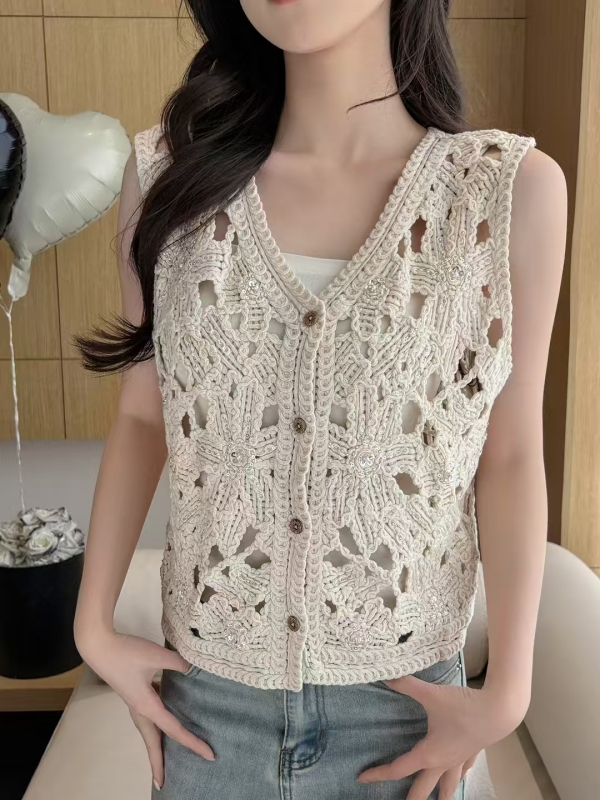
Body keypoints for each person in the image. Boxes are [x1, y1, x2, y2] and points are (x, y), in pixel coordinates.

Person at [72, 1, 567, 799]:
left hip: (410, 714)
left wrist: (507, 691)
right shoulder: (167, 178)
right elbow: (141, 413)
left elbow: (509, 454)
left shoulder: (502, 194)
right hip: (208, 706)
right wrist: (92, 624)